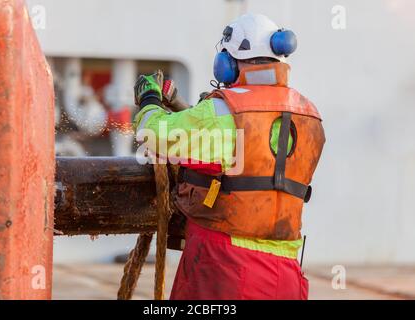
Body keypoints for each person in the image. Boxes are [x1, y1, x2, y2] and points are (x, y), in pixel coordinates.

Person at [133, 13, 325, 300]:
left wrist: (149, 98)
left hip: (227, 271)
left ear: (228, 63)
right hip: (286, 275)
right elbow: (252, 159)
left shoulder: (222, 112)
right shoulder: (309, 114)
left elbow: (152, 133)